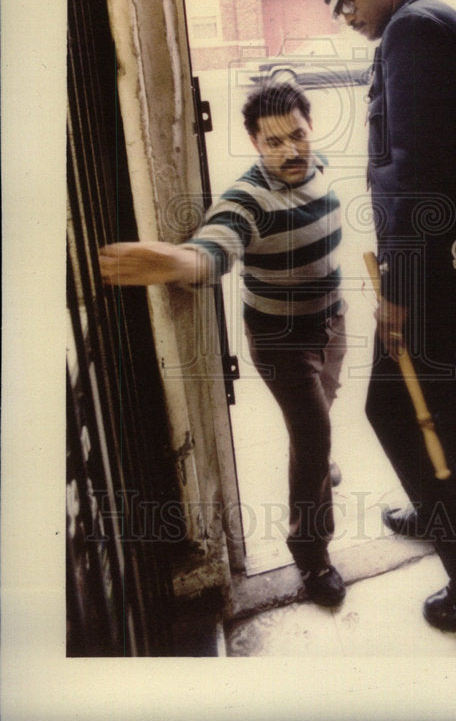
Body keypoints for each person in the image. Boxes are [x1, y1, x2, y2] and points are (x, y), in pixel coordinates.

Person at [299, 0, 456, 631]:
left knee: (391, 410)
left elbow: (416, 176)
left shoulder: (412, 34)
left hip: (431, 263)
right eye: (336, 7)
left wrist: (395, 290)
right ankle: (440, 508)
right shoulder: (431, 21)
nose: (347, 15)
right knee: (452, 395)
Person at [99, 81, 347, 607]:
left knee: (325, 411)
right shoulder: (246, 199)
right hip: (283, 346)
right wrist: (178, 260)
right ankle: (313, 557)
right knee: (312, 438)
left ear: (310, 129)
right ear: (256, 144)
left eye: (297, 135)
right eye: (273, 141)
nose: (289, 150)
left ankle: (320, 465)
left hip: (332, 325)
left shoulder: (317, 165)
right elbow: (217, 243)